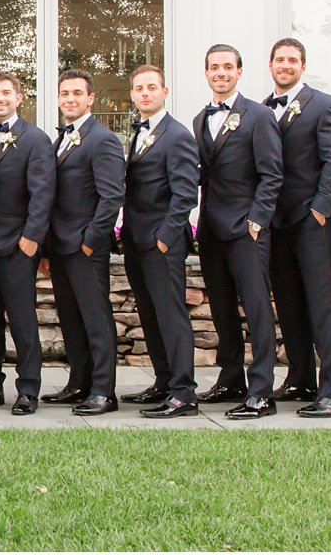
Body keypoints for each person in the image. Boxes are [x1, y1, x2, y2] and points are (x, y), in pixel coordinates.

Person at [261, 38, 331, 419]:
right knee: (288, 301)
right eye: (279, 59)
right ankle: (301, 377)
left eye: (292, 60)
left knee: (322, 303)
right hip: (275, 221)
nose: (285, 65)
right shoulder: (263, 109)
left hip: (310, 220)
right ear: (270, 65)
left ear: (303, 65)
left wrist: (321, 212)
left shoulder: (324, 106)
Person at [192, 44, 283, 420]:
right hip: (212, 229)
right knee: (222, 307)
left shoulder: (259, 116)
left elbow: (272, 173)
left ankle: (261, 391)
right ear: (207, 73)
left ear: (240, 72)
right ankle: (231, 378)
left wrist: (257, 219)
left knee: (257, 308)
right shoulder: (200, 119)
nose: (221, 73)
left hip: (247, 228)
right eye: (214, 67)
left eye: (227, 67)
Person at [0, 70, 53, 416]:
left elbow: (43, 193)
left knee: (22, 320)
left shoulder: (35, 139)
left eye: (6, 93)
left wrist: (31, 239)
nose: (0, 99)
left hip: (17, 246)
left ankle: (28, 389)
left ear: (19, 98)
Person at [41, 68, 125, 416]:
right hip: (60, 246)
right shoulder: (61, 138)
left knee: (96, 318)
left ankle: (104, 391)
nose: (70, 99)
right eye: (64, 93)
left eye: (77, 93)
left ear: (91, 98)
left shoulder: (102, 139)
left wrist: (91, 241)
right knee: (71, 318)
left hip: (85, 247)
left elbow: (111, 196)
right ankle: (79, 382)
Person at [119, 64, 201, 419]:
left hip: (161, 243)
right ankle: (164, 381)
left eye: (152, 87)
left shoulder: (177, 135)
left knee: (171, 315)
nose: (145, 93)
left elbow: (185, 194)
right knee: (150, 314)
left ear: (165, 92)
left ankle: (184, 392)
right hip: (137, 242)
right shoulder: (140, 133)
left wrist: (166, 238)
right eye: (139, 88)